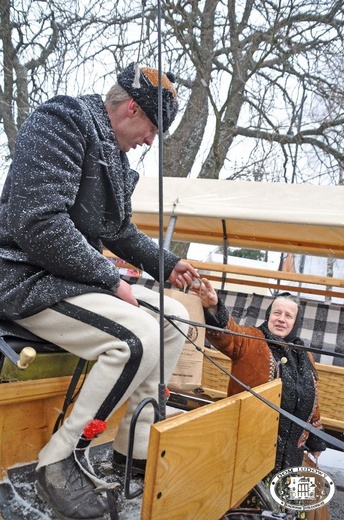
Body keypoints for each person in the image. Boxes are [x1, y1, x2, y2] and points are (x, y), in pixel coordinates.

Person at [0, 62, 199, 520]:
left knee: (174, 322)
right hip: (25, 275)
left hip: (69, 275)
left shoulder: (112, 151)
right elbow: (39, 221)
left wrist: (168, 265)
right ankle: (59, 461)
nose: (151, 141)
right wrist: (111, 280)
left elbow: (119, 231)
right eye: (152, 129)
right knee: (136, 338)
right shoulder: (62, 120)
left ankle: (133, 450)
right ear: (132, 108)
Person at [191, 279, 326, 475]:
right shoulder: (252, 339)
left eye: (288, 316)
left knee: (281, 499)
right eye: (277, 313)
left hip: (292, 454)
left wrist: (315, 437)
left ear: (295, 323)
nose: (281, 319)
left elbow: (311, 395)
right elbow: (228, 335)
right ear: (268, 316)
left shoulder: (304, 355)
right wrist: (213, 307)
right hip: (249, 447)